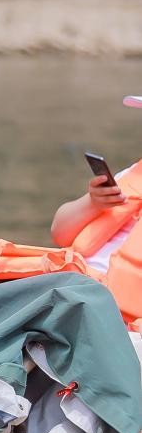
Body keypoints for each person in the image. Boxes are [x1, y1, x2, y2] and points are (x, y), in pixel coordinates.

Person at [51, 95, 142, 324]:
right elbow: (60, 233)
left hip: (108, 311)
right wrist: (92, 203)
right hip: (70, 284)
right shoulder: (132, 176)